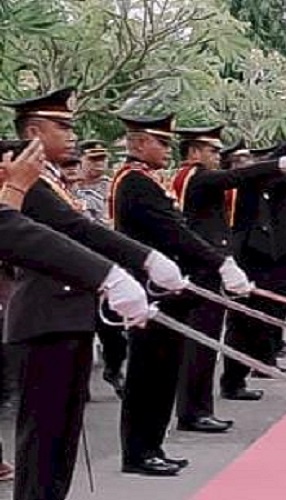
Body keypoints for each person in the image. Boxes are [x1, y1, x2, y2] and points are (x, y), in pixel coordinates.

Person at [1, 89, 182, 500]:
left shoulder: (46, 181)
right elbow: (76, 231)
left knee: (61, 441)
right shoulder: (28, 183)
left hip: (67, 315)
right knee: (44, 442)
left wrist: (138, 264)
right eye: (61, 126)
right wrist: (133, 264)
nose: (72, 134)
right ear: (33, 131)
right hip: (45, 321)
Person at [110, 112, 253, 476]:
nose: (167, 150)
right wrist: (220, 262)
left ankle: (151, 446)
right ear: (139, 143)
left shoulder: (148, 180)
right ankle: (140, 451)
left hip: (167, 289)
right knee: (148, 376)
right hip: (150, 291)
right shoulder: (135, 183)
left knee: (162, 373)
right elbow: (175, 233)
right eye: (161, 142)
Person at [171, 125, 286, 428]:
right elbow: (243, 175)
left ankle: (201, 408)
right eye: (213, 151)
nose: (218, 157)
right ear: (194, 152)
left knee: (208, 341)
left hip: (213, 265)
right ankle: (194, 411)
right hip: (205, 268)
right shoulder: (197, 178)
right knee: (201, 345)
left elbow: (252, 174)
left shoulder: (203, 177)